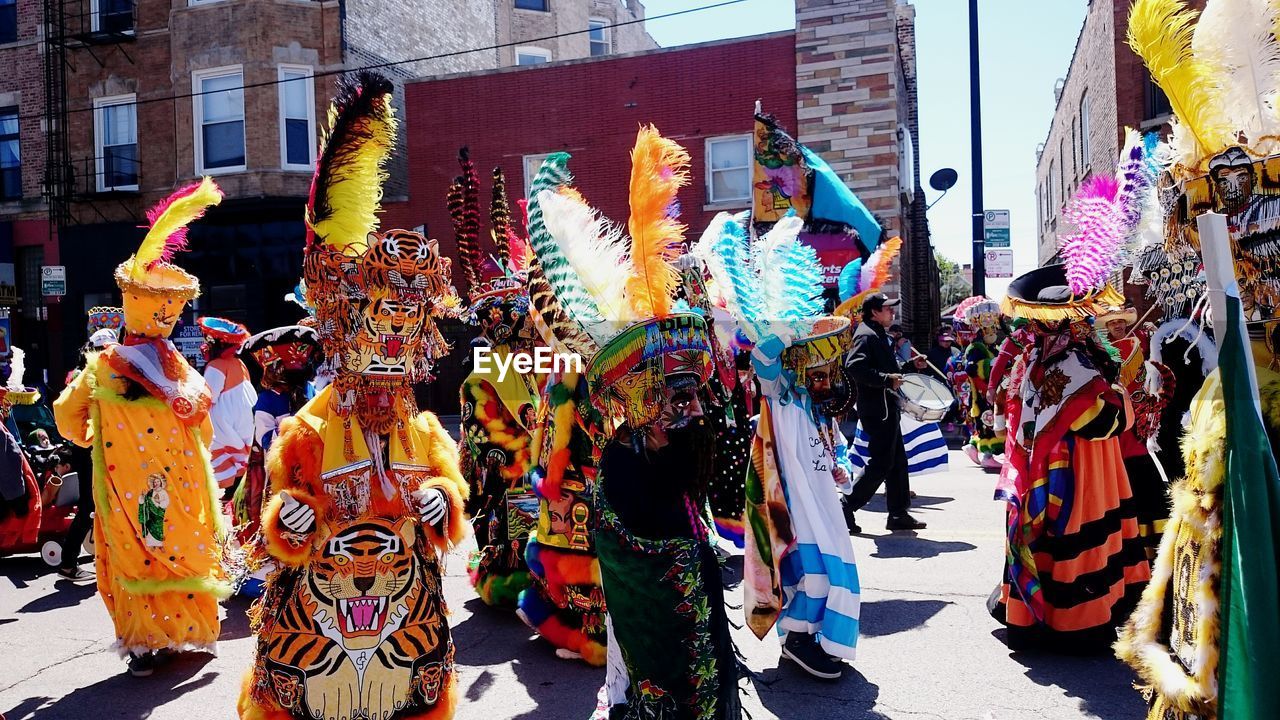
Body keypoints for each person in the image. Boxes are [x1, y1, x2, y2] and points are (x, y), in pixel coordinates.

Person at [239, 72, 469, 720]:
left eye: (403, 335)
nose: (391, 349)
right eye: (379, 334)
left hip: (408, 621)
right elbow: (283, 500)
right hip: (322, 628)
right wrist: (288, 520)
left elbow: (454, 501)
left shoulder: (424, 431)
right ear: (347, 339)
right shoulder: (310, 429)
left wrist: (442, 501)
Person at [530, 132, 740, 717]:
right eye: (676, 398)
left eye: (690, 395)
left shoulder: (668, 445)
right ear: (642, 401)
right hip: (648, 607)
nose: (689, 407)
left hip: (682, 598)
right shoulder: (624, 459)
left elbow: (686, 487)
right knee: (636, 667)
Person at [53, 177, 229, 677]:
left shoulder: (102, 366)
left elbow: (68, 418)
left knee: (135, 557)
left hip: (123, 485)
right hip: (180, 484)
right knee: (178, 546)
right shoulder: (181, 368)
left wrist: (96, 441)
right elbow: (204, 427)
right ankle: (183, 633)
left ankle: (145, 645)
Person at [695, 211, 861, 682]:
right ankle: (799, 642)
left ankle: (818, 640)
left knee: (836, 571)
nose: (824, 367)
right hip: (790, 501)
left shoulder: (812, 399)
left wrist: (838, 466)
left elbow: (828, 443)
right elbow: (764, 356)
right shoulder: (779, 388)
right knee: (807, 573)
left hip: (822, 499)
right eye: (817, 357)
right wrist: (786, 333)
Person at [993, 264, 1149, 652]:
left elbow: (1017, 411)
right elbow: (1102, 423)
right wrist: (1123, 396)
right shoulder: (1076, 365)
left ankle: (1027, 616)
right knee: (1077, 537)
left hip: (1039, 468)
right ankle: (1077, 623)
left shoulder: (1030, 358)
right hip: (1081, 471)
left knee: (1042, 536)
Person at [450, 148, 542, 609]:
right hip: (509, 472)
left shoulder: (532, 362)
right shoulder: (488, 370)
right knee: (510, 524)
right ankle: (507, 579)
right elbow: (477, 427)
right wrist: (506, 456)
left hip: (537, 468)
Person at [845, 293, 926, 532]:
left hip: (886, 407)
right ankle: (846, 505)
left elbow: (890, 370)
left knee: (897, 461)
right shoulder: (865, 335)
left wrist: (910, 366)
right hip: (877, 410)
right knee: (881, 462)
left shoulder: (879, 334)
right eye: (887, 309)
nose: (892, 313)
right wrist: (885, 380)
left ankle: (898, 513)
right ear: (874, 312)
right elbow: (855, 367)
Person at [198, 317, 256, 491]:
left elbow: (207, 398)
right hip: (243, 427)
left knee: (221, 479)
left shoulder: (217, 366)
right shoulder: (240, 363)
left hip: (224, 429)